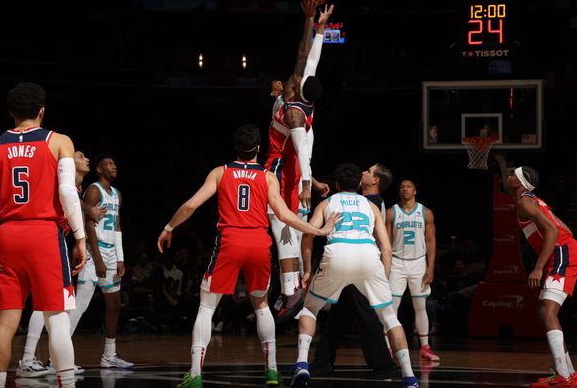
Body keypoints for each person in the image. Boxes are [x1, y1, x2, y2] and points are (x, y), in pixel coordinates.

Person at [156, 124, 340, 388]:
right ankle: (272, 372)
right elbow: (285, 215)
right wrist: (318, 229)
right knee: (261, 305)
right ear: (257, 149)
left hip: (230, 241)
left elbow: (191, 205)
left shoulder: (221, 172)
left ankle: (195, 374)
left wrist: (168, 228)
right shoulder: (267, 177)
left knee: (207, 307)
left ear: (236, 147)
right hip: (258, 243)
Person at [0, 82, 86, 388]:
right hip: (44, 233)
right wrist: (81, 237)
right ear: (42, 111)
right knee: (56, 318)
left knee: (5, 323)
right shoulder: (58, 141)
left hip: (7, 236)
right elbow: (68, 191)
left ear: (10, 112)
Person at [293, 162, 419, 388]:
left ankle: (301, 364)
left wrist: (308, 270)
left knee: (310, 308)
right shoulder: (370, 205)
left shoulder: (328, 202)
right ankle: (409, 377)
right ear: (359, 183)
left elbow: (307, 236)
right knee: (389, 317)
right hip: (368, 256)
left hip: (339, 253)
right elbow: (386, 247)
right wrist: (385, 277)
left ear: (337, 184)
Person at [266, 0, 334, 317]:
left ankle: (290, 289)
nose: (292, 78)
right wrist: (315, 24)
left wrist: (308, 181)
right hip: (291, 173)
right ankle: (291, 289)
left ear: (296, 90)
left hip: (284, 173)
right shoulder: (304, 97)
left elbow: (302, 150)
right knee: (287, 234)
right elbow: (307, 56)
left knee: (283, 233)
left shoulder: (293, 114)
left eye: (294, 81)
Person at [495, 156, 577, 388]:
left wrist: (538, 267)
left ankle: (563, 376)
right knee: (544, 310)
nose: (509, 177)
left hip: (562, 253)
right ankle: (569, 374)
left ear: (521, 182)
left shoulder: (526, 203)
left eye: (513, 175)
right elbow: (565, 228)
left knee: (546, 311)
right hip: (565, 252)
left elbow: (555, 232)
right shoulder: (531, 200)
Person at [17, 150, 106, 377]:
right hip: (43, 240)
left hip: (55, 242)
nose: (86, 158)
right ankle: (28, 359)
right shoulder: (60, 181)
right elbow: (70, 198)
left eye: (86, 156)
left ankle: (51, 360)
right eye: (79, 155)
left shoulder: (77, 189)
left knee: (53, 304)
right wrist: (89, 212)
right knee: (48, 303)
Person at [310, 163, 395, 376]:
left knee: (366, 315)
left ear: (374, 181)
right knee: (339, 315)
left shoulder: (371, 202)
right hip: (361, 262)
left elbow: (383, 243)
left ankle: (383, 363)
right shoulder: (366, 202)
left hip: (363, 263)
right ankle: (323, 360)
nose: (363, 172)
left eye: (368, 171)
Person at [64, 153, 134, 369]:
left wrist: (120, 258)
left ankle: (109, 356)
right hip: (96, 255)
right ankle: (56, 356)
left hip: (112, 253)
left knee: (113, 305)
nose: (114, 166)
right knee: (80, 306)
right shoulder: (94, 190)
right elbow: (88, 224)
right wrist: (99, 258)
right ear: (99, 170)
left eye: (115, 163)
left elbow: (118, 227)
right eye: (109, 164)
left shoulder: (117, 194)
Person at [385, 178, 440, 362]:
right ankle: (388, 347)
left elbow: (431, 242)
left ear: (415, 191)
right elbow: (385, 243)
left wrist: (430, 267)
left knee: (420, 306)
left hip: (418, 263)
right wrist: (385, 266)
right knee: (392, 307)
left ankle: (425, 347)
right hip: (397, 263)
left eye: (409, 186)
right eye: (402, 187)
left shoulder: (426, 213)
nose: (405, 189)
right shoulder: (391, 213)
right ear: (399, 191)